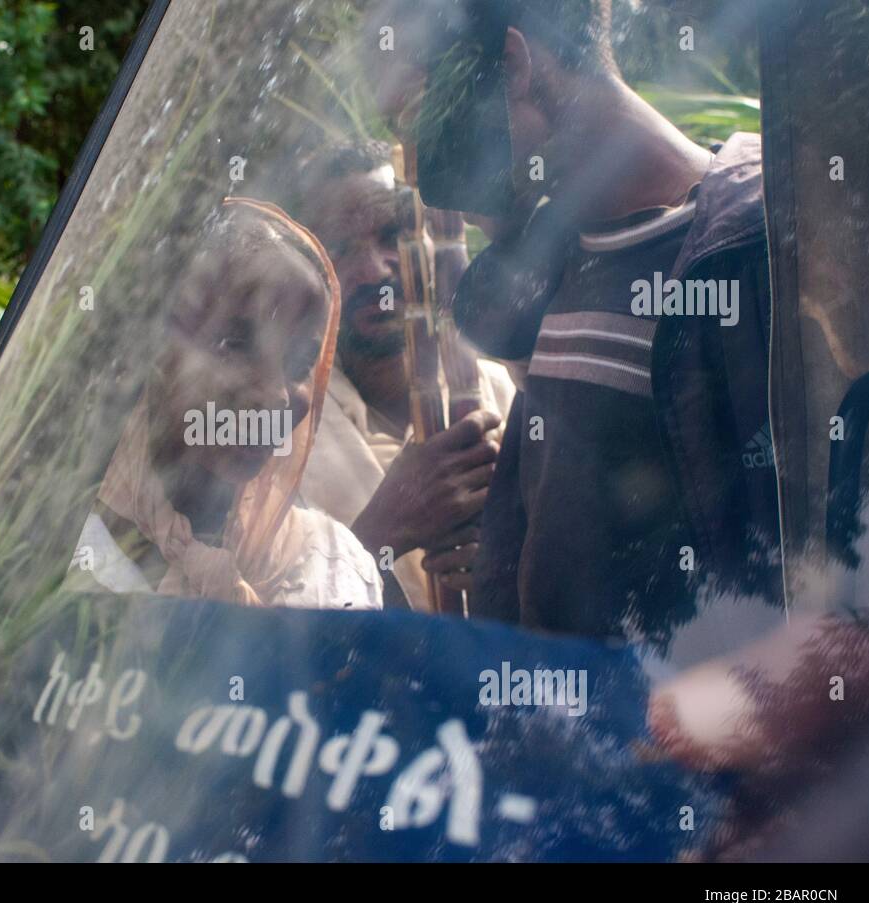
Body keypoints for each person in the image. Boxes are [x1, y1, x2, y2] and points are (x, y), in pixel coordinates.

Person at [375, 0, 782, 649]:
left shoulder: (757, 247)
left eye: (432, 124)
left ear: (513, 67)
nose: (434, 177)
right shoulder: (567, 251)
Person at [71, 197, 384, 609]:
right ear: (151, 351)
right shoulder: (64, 553)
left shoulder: (329, 567)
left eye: (300, 362)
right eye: (233, 344)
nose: (275, 395)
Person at [285, 139, 515, 609]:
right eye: (339, 250)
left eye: (394, 236)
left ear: (435, 241)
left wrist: (516, 553)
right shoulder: (278, 435)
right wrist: (386, 530)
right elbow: (266, 640)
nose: (372, 272)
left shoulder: (506, 390)